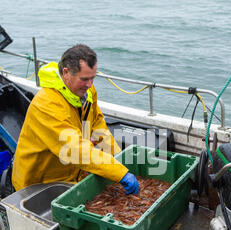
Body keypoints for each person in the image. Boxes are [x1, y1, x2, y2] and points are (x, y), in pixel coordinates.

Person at [12, 44, 139, 194]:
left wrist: (116, 156)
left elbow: (97, 123)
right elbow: (74, 149)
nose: (90, 84)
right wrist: (119, 173)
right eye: (84, 79)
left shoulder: (86, 91)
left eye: (93, 78)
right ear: (66, 72)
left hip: (71, 173)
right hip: (38, 182)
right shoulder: (46, 104)